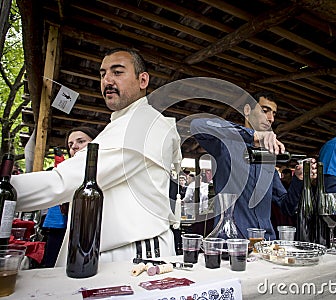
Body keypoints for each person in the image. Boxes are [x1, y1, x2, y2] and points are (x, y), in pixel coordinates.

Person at [11, 48, 182, 266]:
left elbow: (66, 181)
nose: (107, 80)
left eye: (117, 72)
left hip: (133, 255)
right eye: (102, 74)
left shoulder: (144, 124)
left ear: (143, 80)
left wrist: (7, 190)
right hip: (108, 251)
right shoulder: (122, 124)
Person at [190, 91, 315, 240]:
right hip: (233, 245)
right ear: (248, 111)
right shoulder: (224, 144)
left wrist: (299, 180)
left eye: (274, 114)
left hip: (267, 245)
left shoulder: (268, 157)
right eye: (265, 110)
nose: (271, 118)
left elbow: (286, 206)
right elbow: (197, 125)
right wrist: (252, 135)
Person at [41, 126, 99, 268]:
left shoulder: (102, 172)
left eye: (81, 141)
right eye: (70, 144)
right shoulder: (63, 169)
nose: (74, 147)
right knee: (52, 262)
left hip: (85, 231)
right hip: (57, 225)